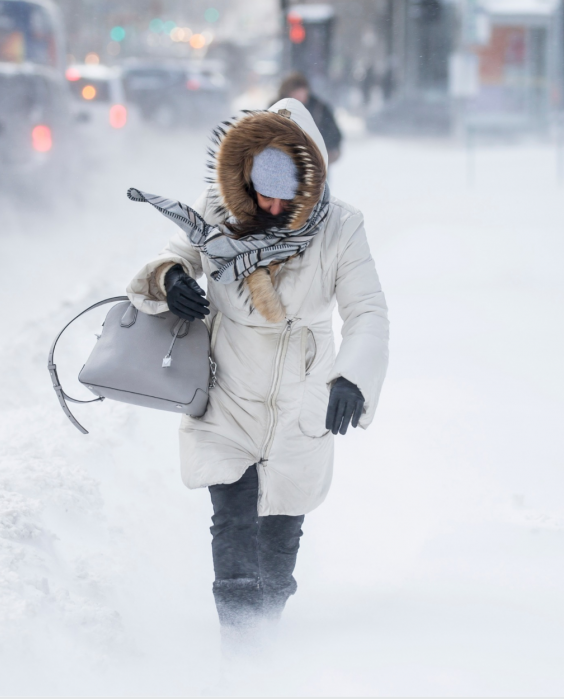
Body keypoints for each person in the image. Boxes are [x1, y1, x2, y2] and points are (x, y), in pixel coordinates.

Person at [124, 99, 388, 650]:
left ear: (308, 185)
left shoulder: (342, 226)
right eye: (259, 191)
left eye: (282, 193)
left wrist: (352, 379)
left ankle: (267, 639)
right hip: (230, 389)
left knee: (280, 532)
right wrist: (171, 279)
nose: (268, 204)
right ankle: (240, 648)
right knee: (234, 520)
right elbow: (176, 255)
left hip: (303, 395)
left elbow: (367, 312)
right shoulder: (217, 213)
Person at [277, 72, 342, 165]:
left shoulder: (319, 109)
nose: (298, 96)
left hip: (313, 163)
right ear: (287, 93)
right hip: (281, 161)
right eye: (295, 92)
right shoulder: (277, 107)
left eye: (301, 92)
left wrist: (314, 142)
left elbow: (335, 135)